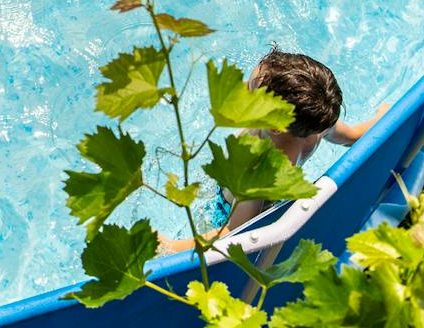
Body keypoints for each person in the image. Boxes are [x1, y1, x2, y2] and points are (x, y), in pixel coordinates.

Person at [162, 49, 385, 251]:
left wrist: (171, 246)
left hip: (224, 210)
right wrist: (382, 117)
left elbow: (233, 233)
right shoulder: (316, 127)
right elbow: (353, 136)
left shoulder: (258, 174)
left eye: (250, 90)